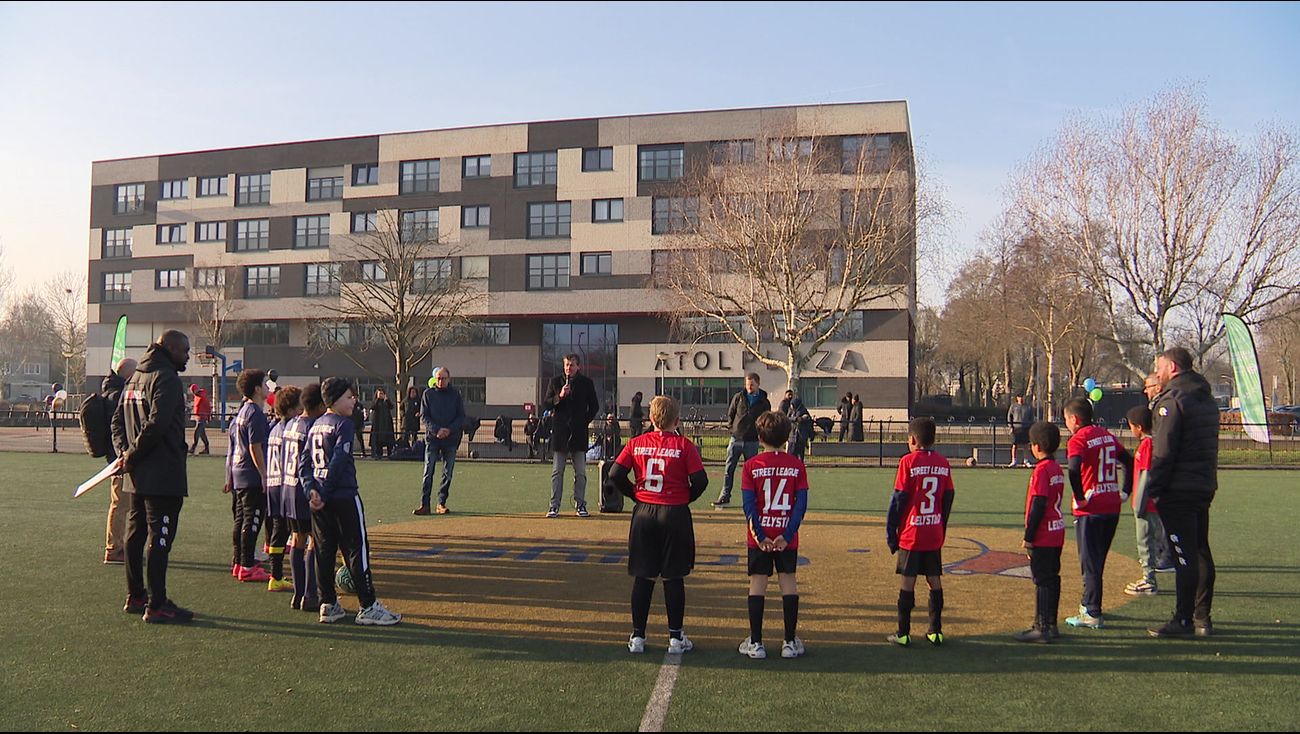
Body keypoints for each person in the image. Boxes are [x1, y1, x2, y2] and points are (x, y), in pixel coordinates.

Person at [606, 396, 709, 655]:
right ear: (677, 420)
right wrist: (684, 497)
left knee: (645, 575)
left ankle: (638, 636)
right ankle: (675, 637)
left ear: (650, 419)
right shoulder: (684, 446)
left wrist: (634, 494)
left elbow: (615, 474)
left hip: (644, 512)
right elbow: (700, 481)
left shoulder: (637, 443)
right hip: (674, 512)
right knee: (673, 576)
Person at [301, 377, 401, 626]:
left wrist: (311, 490)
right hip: (343, 496)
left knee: (324, 551)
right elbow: (339, 460)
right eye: (348, 396)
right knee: (357, 551)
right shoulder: (342, 425)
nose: (353, 400)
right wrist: (322, 491)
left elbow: (305, 464)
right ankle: (368, 605)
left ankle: (328, 604)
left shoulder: (314, 426)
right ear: (334, 400)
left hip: (319, 502)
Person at [111, 330, 194, 623]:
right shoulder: (166, 378)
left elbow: (117, 422)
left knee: (135, 535)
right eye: (184, 350)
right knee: (159, 538)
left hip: (138, 474)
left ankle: (136, 595)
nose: (187, 356)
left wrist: (125, 454)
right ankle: (156, 604)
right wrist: (130, 456)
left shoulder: (134, 378)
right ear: (170, 348)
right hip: (162, 474)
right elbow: (157, 425)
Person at [1146, 347, 1219, 639]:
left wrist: (1153, 488)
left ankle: (1183, 620)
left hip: (1178, 489)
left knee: (1183, 556)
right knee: (1200, 551)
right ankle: (1203, 618)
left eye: (1159, 367)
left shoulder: (1173, 401)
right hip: (1203, 484)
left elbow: (1164, 451)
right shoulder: (1206, 399)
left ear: (1173, 367)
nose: (1158, 372)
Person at [737, 411, 809, 660]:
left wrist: (758, 535)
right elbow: (801, 505)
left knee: (758, 583)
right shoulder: (796, 465)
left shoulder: (751, 466)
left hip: (761, 537)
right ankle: (789, 642)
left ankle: (756, 642)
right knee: (788, 581)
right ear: (787, 436)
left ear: (759, 437)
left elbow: (749, 505)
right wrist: (787, 535)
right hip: (785, 536)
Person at [1062, 397, 1133, 630]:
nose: (1066, 424)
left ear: (1075, 419)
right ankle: (1088, 603)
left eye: (1066, 419)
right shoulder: (1107, 435)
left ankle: (1092, 611)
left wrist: (1080, 497)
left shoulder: (1078, 439)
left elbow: (1073, 469)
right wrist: (1124, 491)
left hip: (1091, 508)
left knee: (1090, 562)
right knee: (1097, 560)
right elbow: (1128, 461)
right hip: (1111, 504)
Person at [885, 418, 955, 646]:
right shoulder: (943, 463)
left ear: (912, 440)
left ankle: (903, 633)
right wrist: (940, 526)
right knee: (934, 580)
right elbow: (948, 498)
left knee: (908, 582)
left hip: (912, 533)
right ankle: (935, 631)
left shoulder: (908, 462)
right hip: (933, 532)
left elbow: (898, 499)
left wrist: (891, 533)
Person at [1014, 421, 1067, 643]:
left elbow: (1038, 504)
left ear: (1035, 447)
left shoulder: (1041, 471)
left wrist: (1029, 537)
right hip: (1057, 531)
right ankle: (1051, 623)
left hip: (1044, 534)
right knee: (1052, 578)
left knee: (1042, 580)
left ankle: (1042, 626)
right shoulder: (1056, 468)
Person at [225, 368, 272, 584]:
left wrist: (229, 476)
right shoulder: (255, 414)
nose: (267, 387)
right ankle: (247, 565)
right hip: (251, 475)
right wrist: (263, 475)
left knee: (240, 519)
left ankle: (239, 562)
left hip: (238, 472)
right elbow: (255, 447)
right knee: (252, 520)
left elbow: (233, 447)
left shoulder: (241, 413)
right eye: (264, 384)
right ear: (256, 388)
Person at [1123, 404, 1175, 599]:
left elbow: (1146, 475)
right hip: (1151, 502)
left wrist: (1139, 503)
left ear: (1138, 426)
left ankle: (1149, 580)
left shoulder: (1147, 445)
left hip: (1146, 503)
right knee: (1151, 539)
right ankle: (1149, 576)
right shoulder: (1153, 443)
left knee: (1144, 541)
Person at [282, 382, 325, 612]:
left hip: (287, 489)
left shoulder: (291, 424)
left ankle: (298, 594)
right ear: (319, 406)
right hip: (303, 490)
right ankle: (310, 594)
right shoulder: (311, 427)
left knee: (297, 539)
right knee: (313, 540)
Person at [543, 353, 600, 518]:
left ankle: (580, 504)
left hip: (578, 434)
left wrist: (583, 422)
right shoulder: (555, 382)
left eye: (572, 365)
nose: (569, 368)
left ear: (578, 366)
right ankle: (554, 506)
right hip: (561, 433)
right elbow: (546, 403)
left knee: (581, 472)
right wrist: (559, 397)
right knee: (557, 472)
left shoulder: (586, 383)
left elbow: (594, 406)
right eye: (567, 365)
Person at [264, 385, 301, 593]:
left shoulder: (275, 428)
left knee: (278, 531)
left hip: (273, 484)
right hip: (286, 485)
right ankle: (301, 574)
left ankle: (275, 575)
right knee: (298, 530)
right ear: (291, 408)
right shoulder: (290, 428)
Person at [713, 373, 770, 508]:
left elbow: (766, 419)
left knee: (753, 471)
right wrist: (733, 429)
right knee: (729, 469)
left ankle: (754, 498)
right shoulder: (739, 397)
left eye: (752, 384)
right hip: (736, 438)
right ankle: (725, 496)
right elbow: (731, 414)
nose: (749, 386)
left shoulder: (764, 401)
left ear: (758, 384)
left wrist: (760, 434)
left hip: (752, 441)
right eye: (747, 384)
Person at [101, 357, 137, 565]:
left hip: (116, 456)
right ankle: (114, 548)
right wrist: (123, 454)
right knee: (121, 504)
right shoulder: (118, 396)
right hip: (120, 459)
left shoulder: (110, 392)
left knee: (122, 504)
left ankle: (119, 547)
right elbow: (119, 427)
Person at [415, 367, 465, 515]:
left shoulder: (455, 395)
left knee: (447, 473)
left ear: (449, 379)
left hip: (451, 440)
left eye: (443, 378)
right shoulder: (428, 394)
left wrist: (449, 430)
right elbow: (424, 417)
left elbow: (461, 416)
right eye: (438, 378)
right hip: (433, 439)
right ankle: (425, 504)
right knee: (428, 472)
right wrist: (437, 430)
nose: (440, 381)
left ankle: (441, 503)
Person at [1007, 395, 1035, 467]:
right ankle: (1014, 461)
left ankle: (1026, 461)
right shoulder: (1013, 406)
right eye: (1019, 397)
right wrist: (1011, 427)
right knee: (1015, 445)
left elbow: (1032, 418)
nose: (1021, 399)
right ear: (1017, 398)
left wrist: (1030, 427)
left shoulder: (1029, 407)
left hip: (1026, 428)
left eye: (1022, 397)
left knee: (1026, 445)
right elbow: (1009, 417)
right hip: (1016, 428)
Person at [784, 394, 812, 461]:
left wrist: (803, 419)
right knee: (791, 454)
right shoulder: (791, 410)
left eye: (792, 405)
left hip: (800, 436)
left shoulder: (803, 410)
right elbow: (787, 418)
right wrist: (795, 418)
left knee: (800, 454)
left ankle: (799, 465)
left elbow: (808, 420)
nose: (791, 406)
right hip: (792, 435)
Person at [369, 388, 395, 460]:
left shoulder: (386, 401)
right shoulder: (376, 402)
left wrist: (387, 400)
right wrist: (377, 399)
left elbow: (391, 406)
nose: (381, 395)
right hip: (378, 423)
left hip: (387, 424)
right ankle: (378, 454)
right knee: (378, 440)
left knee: (388, 439)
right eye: (380, 394)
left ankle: (390, 454)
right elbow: (373, 407)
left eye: (382, 394)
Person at [188, 384, 210, 455]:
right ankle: (206, 448)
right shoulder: (197, 396)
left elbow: (207, 406)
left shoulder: (202, 396)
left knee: (197, 432)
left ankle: (193, 448)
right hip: (198, 417)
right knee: (202, 434)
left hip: (202, 417)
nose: (193, 392)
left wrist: (208, 416)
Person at [350, 393, 367, 458]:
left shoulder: (360, 405)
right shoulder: (350, 405)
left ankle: (363, 452)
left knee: (360, 439)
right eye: (353, 397)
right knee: (350, 439)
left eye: (356, 397)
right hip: (351, 425)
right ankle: (349, 453)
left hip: (358, 425)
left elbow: (362, 416)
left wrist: (362, 424)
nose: (355, 399)